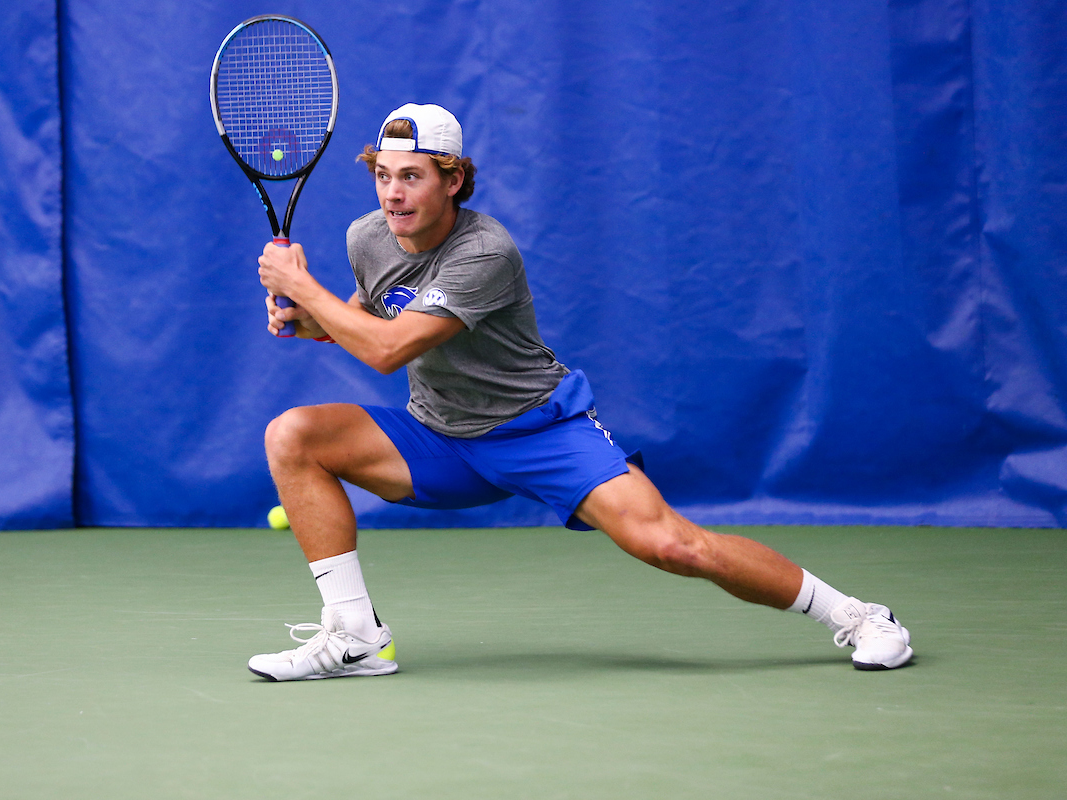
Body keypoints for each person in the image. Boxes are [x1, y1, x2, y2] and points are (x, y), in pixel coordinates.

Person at [249, 103, 913, 681]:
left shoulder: (487, 251)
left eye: (412, 177)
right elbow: (368, 322)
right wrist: (306, 321)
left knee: (673, 546)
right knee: (294, 436)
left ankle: (857, 615)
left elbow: (391, 349)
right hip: (442, 436)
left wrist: (300, 285)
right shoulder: (368, 237)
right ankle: (355, 637)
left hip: (541, 431)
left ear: (453, 180)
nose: (392, 195)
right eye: (382, 176)